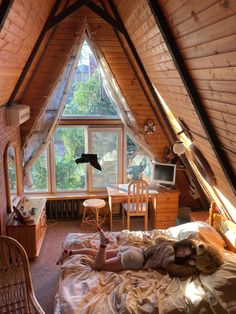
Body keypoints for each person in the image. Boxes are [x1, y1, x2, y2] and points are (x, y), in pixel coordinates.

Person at [57, 226, 197, 273]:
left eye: (185, 254)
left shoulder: (169, 243)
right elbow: (169, 267)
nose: (182, 254)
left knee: (97, 255)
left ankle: (70, 252)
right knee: (98, 266)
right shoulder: (171, 255)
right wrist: (190, 265)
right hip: (136, 260)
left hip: (135, 249)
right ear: (182, 247)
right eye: (184, 251)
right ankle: (103, 244)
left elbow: (157, 239)